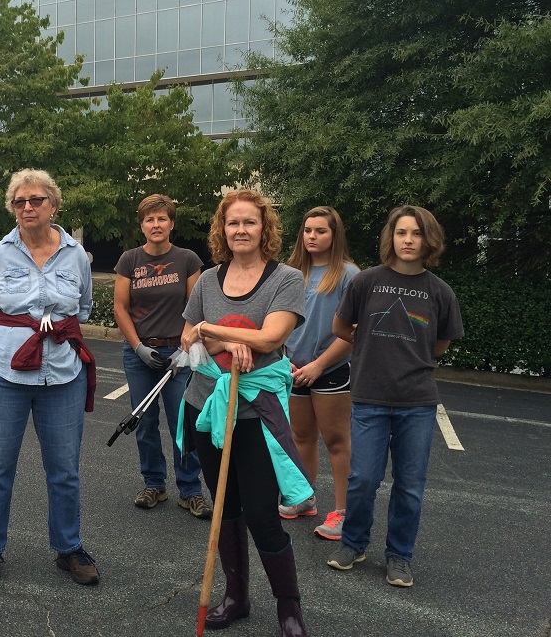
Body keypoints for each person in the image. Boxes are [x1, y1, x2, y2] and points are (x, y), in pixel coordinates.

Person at [179, 189, 310, 637]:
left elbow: (272, 338)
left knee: (261, 513)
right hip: (207, 407)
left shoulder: (287, 279)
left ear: (264, 228)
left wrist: (211, 331)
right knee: (225, 508)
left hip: (257, 414)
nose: (241, 230)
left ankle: (289, 608)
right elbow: (186, 341)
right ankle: (236, 597)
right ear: (222, 229)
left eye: (249, 222)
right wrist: (224, 340)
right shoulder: (208, 280)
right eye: (233, 223)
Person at [0, 168, 98, 587]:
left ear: (53, 205)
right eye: (19, 202)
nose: (26, 207)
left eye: (35, 200)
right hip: (2, 372)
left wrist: (48, 329)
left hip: (63, 374)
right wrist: (19, 332)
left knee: (64, 470)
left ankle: (69, 548)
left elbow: (84, 309)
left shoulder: (76, 255)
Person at [327, 205, 463, 588]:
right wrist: (369, 345)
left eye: (417, 234)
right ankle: (353, 544)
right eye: (402, 232)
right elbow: (341, 326)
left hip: (417, 402)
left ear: (428, 240)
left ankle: (399, 556)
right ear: (391, 237)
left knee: (409, 486)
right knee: (363, 478)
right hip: (369, 397)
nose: (408, 240)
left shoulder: (440, 292)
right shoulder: (366, 282)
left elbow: (439, 346)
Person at [113, 194, 210, 519]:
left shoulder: (187, 259)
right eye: (149, 219)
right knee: (145, 422)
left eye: (162, 218)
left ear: (171, 223)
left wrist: (186, 347)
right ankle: (154, 484)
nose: (156, 224)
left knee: (183, 422)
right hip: (140, 352)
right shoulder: (129, 260)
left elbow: (197, 307)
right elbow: (120, 307)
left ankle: (190, 490)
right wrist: (138, 346)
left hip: (179, 353)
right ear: (142, 225)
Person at [279, 207, 360, 541]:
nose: (312, 236)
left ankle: (343, 513)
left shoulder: (349, 275)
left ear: (334, 235)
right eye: (307, 230)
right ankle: (304, 497)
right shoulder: (290, 271)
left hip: (330, 370)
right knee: (300, 437)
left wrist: (319, 365)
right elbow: (276, 320)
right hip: (292, 367)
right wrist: (283, 358)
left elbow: (354, 332)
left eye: (320, 231)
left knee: (337, 442)